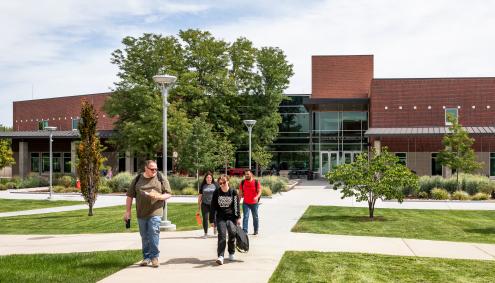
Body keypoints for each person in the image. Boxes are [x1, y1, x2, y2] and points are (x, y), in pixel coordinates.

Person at [124, 160, 172, 268]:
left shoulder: (160, 178)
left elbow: (168, 194)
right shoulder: (137, 179)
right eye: (152, 169)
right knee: (144, 236)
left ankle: (154, 257)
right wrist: (127, 211)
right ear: (146, 168)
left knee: (153, 232)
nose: (154, 171)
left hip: (156, 211)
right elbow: (130, 196)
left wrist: (159, 197)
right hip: (141, 212)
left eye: (156, 169)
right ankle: (146, 257)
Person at [210, 175, 241, 265]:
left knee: (232, 233)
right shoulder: (217, 192)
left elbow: (236, 205)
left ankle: (231, 252)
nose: (222, 184)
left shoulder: (233, 192)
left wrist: (238, 217)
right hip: (221, 217)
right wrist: (212, 220)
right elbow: (213, 207)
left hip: (231, 217)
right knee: (222, 236)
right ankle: (221, 256)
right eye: (220, 183)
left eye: (224, 182)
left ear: (228, 182)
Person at [239, 169, 261, 235]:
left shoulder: (256, 182)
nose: (246, 175)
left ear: (251, 174)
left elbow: (259, 191)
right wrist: (238, 201)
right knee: (245, 216)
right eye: (245, 174)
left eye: (248, 174)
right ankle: (245, 231)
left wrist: (257, 197)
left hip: (254, 203)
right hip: (246, 203)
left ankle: (256, 230)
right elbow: (240, 193)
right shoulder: (243, 182)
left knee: (255, 217)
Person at [198, 172, 219, 238]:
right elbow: (200, 196)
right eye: (207, 177)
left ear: (212, 178)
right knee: (205, 218)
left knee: (215, 218)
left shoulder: (215, 184)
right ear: (205, 178)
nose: (209, 179)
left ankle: (215, 227)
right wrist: (198, 205)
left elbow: (218, 194)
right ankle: (205, 233)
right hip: (205, 204)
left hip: (214, 205)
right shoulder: (203, 185)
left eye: (210, 177)